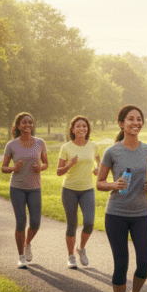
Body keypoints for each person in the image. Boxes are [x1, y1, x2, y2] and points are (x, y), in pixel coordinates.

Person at [97, 105, 147, 292]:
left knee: (144, 264)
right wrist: (114, 184)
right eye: (130, 119)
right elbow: (100, 183)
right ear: (121, 123)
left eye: (139, 119)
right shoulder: (112, 152)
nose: (136, 122)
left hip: (141, 214)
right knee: (121, 265)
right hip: (117, 214)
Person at [0, 112, 48, 269]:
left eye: (30, 122)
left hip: (35, 188)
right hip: (17, 187)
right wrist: (13, 168)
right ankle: (20, 255)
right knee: (21, 221)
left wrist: (40, 167)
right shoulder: (11, 145)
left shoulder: (40, 143)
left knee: (35, 222)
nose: (28, 125)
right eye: (25, 122)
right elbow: (3, 168)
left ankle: (28, 243)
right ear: (18, 126)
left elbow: (46, 163)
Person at [56, 116, 100, 270]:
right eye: (78, 126)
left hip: (87, 189)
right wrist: (69, 164)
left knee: (89, 223)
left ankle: (81, 248)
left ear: (87, 129)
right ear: (73, 129)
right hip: (69, 189)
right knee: (72, 225)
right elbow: (59, 172)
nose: (82, 128)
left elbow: (98, 163)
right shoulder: (66, 147)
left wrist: (97, 169)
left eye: (85, 126)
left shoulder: (93, 146)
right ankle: (70, 256)